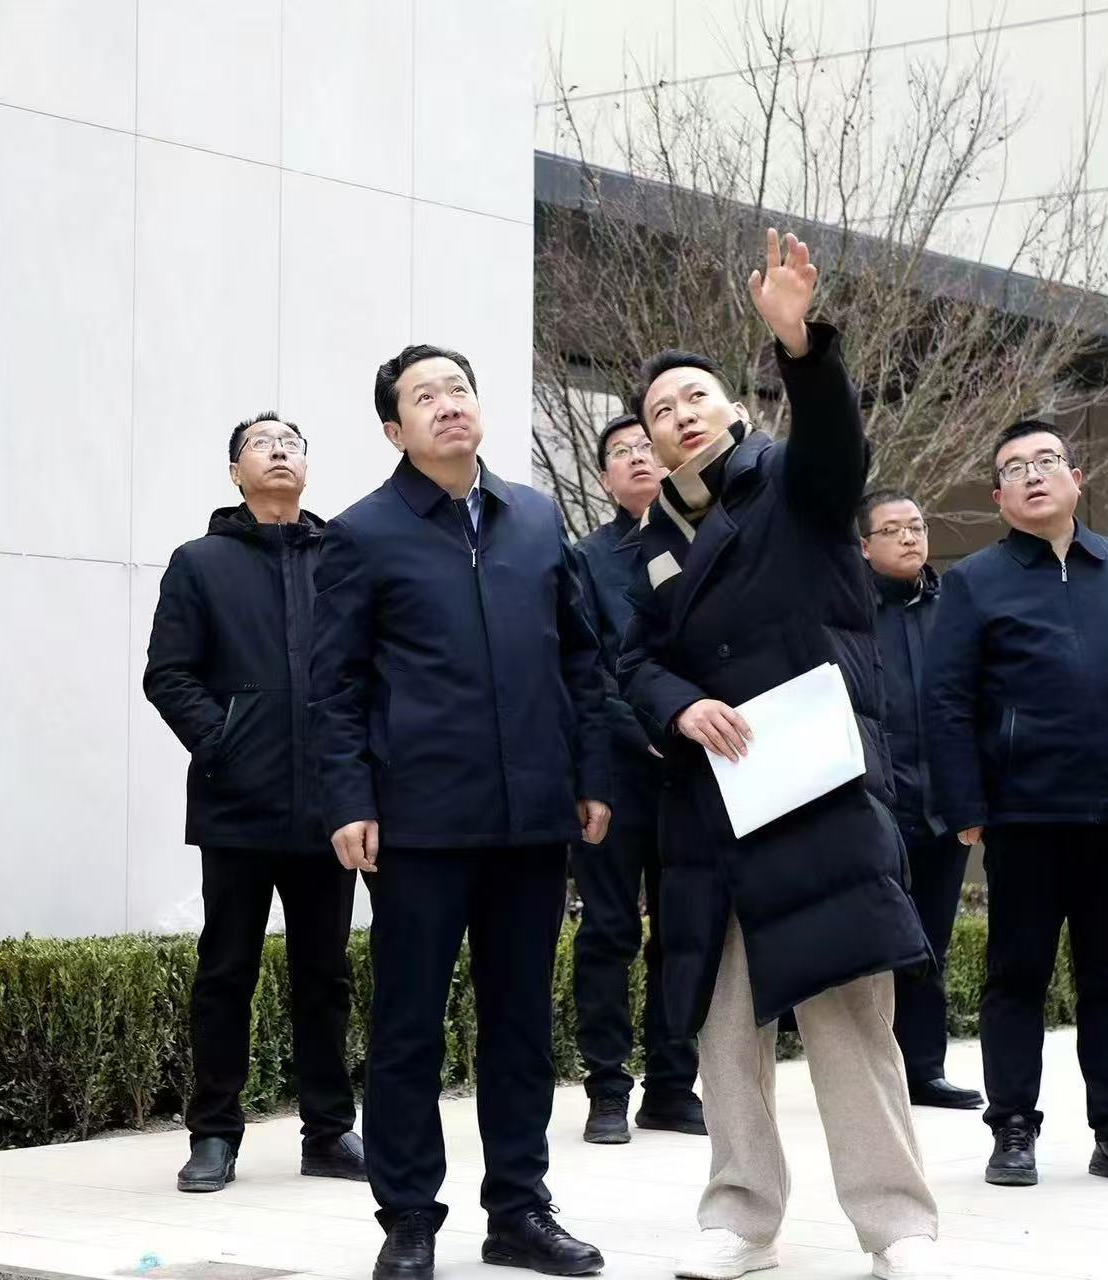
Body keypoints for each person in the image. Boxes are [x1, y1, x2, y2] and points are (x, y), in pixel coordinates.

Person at [618, 230, 945, 1280]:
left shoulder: (794, 484)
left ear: (734, 408)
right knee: (724, 1027)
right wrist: (679, 707)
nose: (680, 414)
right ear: (648, 439)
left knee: (850, 1017)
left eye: (695, 397)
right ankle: (743, 1217)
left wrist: (800, 344)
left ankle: (898, 1224)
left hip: (815, 789)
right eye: (661, 410)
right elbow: (633, 659)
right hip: (713, 802)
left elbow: (839, 445)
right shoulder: (650, 542)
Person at [310, 345, 613, 1279]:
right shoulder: (362, 534)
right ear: (394, 430)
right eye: (424, 396)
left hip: (532, 820)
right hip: (421, 824)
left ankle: (518, 1210)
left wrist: (591, 775)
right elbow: (334, 686)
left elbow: (582, 658)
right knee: (408, 1026)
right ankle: (408, 1216)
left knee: (521, 1026)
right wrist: (350, 798)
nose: (448, 404)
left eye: (459, 389)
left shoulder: (537, 517)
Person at [923, 420, 1108, 1191]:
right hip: (1025, 816)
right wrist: (965, 803)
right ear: (998, 497)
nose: (1034, 474)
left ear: (1077, 479)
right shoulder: (975, 581)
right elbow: (946, 701)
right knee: (1017, 978)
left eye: (1047, 461)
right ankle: (1012, 1129)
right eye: (1015, 467)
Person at [142, 413, 365, 1194]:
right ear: (235, 473)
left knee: (325, 976)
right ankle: (214, 1135)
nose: (279, 451)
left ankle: (329, 1132)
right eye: (261, 444)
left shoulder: (342, 559)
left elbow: (370, 669)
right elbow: (168, 673)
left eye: (292, 443)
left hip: (330, 805)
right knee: (226, 972)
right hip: (238, 804)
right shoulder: (200, 563)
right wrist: (224, 741)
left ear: (307, 467)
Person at [569, 413, 704, 1144]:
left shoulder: (707, 542)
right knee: (610, 931)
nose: (638, 458)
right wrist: (649, 729)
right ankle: (607, 1089)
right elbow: (584, 668)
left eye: (647, 447)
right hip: (617, 771)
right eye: (621, 452)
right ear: (604, 479)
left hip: (699, 768)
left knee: (684, 933)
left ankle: (673, 1086)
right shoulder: (585, 560)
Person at [858, 490, 985, 1113]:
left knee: (932, 942)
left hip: (943, 807)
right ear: (864, 546)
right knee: (871, 946)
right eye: (892, 530)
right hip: (873, 807)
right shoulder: (847, 615)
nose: (909, 538)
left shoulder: (953, 608)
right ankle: (866, 1073)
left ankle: (924, 1070)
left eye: (916, 526)